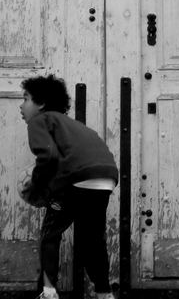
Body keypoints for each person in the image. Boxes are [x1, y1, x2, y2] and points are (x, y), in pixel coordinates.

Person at [19, 75, 118, 299]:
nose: (21, 105)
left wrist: (37, 188)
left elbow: (48, 157)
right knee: (92, 240)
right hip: (104, 178)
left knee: (50, 234)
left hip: (77, 179)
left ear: (41, 104)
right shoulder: (74, 125)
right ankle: (104, 293)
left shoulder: (39, 121)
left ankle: (48, 291)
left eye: (25, 99)